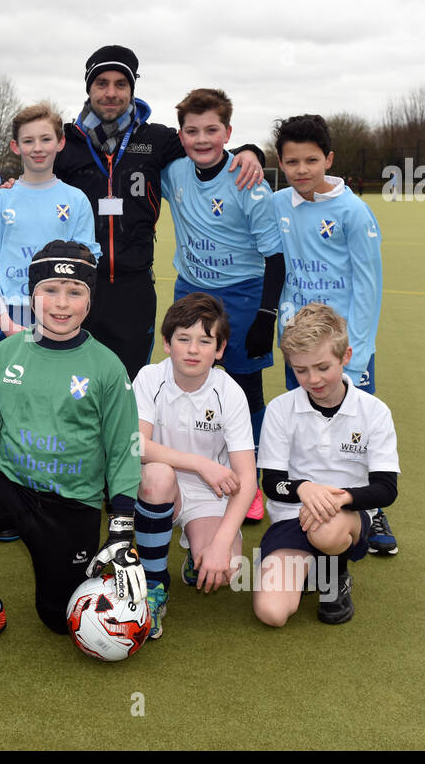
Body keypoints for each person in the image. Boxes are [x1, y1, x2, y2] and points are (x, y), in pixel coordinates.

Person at [0, 240, 145, 662]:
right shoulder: (4, 355)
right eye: (50, 290)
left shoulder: (107, 367)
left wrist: (123, 526)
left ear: (90, 299)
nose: (61, 303)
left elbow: (122, 449)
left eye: (74, 292)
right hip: (9, 485)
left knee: (59, 620)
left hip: (72, 503)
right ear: (31, 294)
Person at [53, 44, 265, 380]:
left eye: (121, 84)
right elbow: (34, 175)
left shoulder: (156, 139)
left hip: (134, 287)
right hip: (77, 284)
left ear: (132, 89)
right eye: (101, 83)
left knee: (129, 384)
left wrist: (251, 152)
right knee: (71, 380)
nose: (111, 93)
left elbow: (206, 145)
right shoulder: (64, 141)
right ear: (89, 88)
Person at [271, 114, 396, 556]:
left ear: (329, 158)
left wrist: (356, 355)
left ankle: (370, 511)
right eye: (291, 162)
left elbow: (368, 287)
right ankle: (304, 504)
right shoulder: (280, 204)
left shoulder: (354, 211)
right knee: (303, 427)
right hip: (298, 344)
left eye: (310, 160)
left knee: (355, 431)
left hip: (344, 349)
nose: (301, 170)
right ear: (280, 163)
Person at [161, 87, 284, 523]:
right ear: (180, 135)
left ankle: (248, 482)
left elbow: (276, 257)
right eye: (192, 131)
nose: (202, 139)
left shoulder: (249, 181)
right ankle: (194, 475)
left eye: (212, 130)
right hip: (191, 291)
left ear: (228, 132)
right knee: (190, 382)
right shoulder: (173, 172)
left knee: (247, 389)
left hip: (244, 294)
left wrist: (265, 317)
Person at [252, 304, 398, 627]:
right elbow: (272, 482)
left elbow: (386, 489)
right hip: (293, 517)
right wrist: (304, 488)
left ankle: (336, 576)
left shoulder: (374, 412)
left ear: (345, 356)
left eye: (322, 367)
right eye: (301, 370)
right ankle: (312, 568)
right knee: (271, 613)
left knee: (326, 529)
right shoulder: (280, 410)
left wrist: (339, 499)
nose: (312, 379)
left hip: (344, 519)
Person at [133, 293, 256, 638]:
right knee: (158, 474)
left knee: (228, 566)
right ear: (166, 344)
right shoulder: (148, 378)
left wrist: (221, 542)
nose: (192, 349)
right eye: (183, 339)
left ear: (219, 349)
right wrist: (200, 463)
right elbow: (136, 445)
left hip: (207, 494)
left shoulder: (229, 392)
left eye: (204, 341)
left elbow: (247, 479)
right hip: (158, 483)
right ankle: (154, 586)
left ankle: (196, 551)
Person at [0, 102, 101, 347]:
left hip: (60, 311)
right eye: (28, 141)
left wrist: (71, 312)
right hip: (11, 311)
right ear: (16, 146)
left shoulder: (76, 200)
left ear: (60, 143)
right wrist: (4, 320)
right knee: (7, 385)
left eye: (45, 139)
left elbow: (87, 265)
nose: (37, 148)